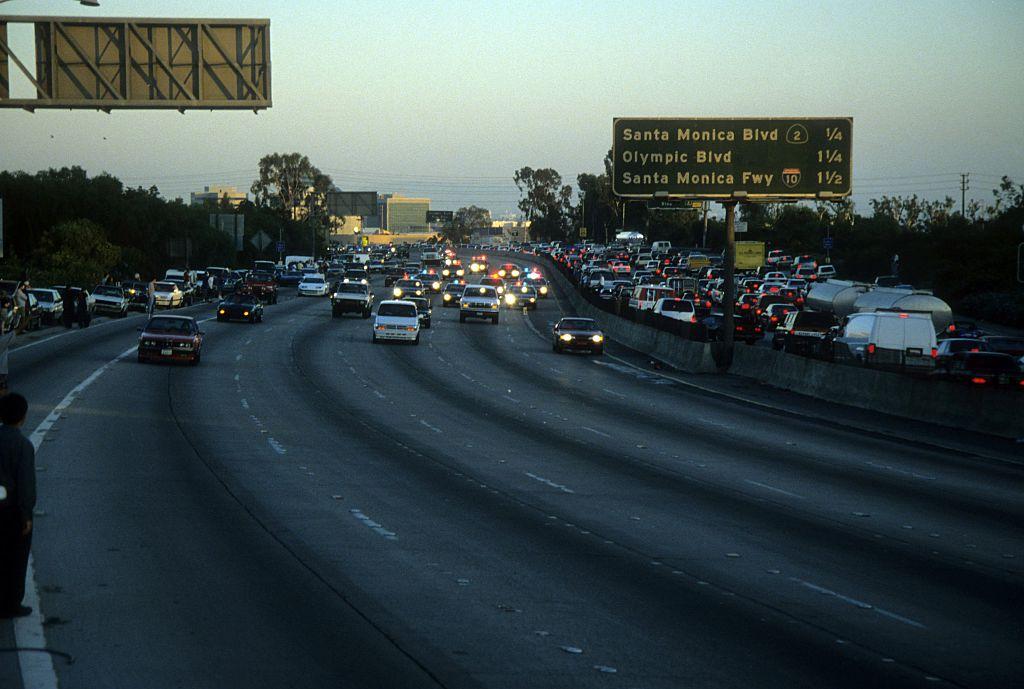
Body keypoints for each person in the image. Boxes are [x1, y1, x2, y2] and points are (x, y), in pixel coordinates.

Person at [0, 393, 36, 618]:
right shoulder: (23, 445)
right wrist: (26, 515)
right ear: (22, 417)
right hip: (10, 512)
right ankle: (11, 602)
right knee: (15, 557)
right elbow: (25, 483)